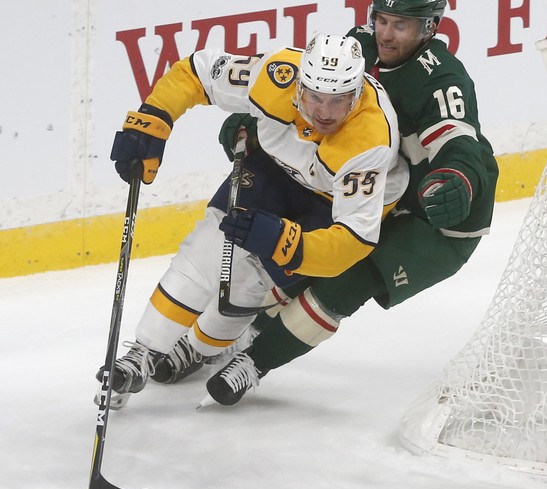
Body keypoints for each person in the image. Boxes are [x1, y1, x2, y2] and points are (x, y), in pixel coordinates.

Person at [198, 0, 500, 406]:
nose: (387, 34)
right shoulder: (358, 48)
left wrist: (456, 180)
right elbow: (307, 98)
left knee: (344, 283)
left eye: (402, 26)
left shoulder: (442, 78)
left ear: (429, 28)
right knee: (302, 256)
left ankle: (255, 361)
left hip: (438, 215)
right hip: (380, 192)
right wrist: (258, 123)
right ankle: (219, 340)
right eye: (383, 21)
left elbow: (460, 145)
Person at [96, 33, 407, 407]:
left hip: (331, 202)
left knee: (250, 280)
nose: (324, 111)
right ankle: (143, 353)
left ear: (355, 95)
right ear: (298, 85)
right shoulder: (275, 74)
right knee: (207, 250)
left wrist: (283, 242)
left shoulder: (370, 139)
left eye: (338, 100)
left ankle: (199, 348)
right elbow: (195, 73)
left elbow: (354, 240)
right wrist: (153, 120)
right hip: (277, 170)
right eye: (315, 97)